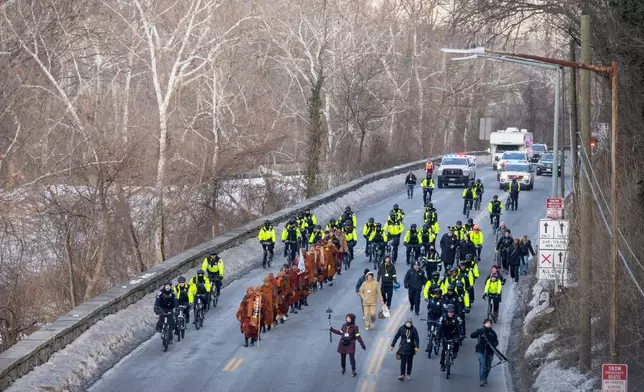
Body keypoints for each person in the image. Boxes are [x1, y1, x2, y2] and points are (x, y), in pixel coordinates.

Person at [471, 319, 499, 387]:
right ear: (484, 324)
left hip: (490, 352)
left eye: (490, 323)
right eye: (487, 323)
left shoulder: (493, 333)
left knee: (488, 366)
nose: (489, 324)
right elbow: (472, 335)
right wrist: (479, 332)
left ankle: (485, 377)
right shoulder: (480, 331)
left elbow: (496, 342)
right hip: (481, 351)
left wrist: (493, 344)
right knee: (482, 364)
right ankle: (482, 379)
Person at [438, 304, 463, 372]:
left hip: (454, 334)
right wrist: (438, 337)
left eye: (452, 312)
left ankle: (454, 352)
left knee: (457, 343)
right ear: (447, 312)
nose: (451, 313)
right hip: (445, 334)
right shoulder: (443, 318)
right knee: (444, 349)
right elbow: (440, 328)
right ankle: (442, 364)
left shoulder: (457, 318)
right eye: (449, 312)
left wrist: (460, 336)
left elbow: (460, 327)